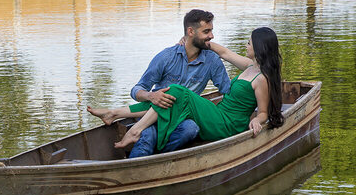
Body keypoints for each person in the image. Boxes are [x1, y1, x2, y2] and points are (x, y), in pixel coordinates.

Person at [93, 26, 285, 152]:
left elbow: (262, 112)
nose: (246, 45)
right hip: (218, 115)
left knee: (177, 91)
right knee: (169, 98)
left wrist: (257, 121)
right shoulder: (250, 66)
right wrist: (192, 41)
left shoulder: (262, 79)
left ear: (259, 47)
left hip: (227, 125)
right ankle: (115, 113)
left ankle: (135, 130)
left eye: (249, 43)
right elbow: (224, 52)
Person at [87, 9, 231, 158]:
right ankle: (135, 165)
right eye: (206, 31)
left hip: (183, 119)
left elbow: (228, 91)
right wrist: (150, 96)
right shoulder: (166, 57)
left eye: (211, 31)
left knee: (191, 129)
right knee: (147, 137)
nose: (212, 36)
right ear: (190, 31)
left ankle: (159, 158)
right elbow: (137, 89)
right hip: (152, 115)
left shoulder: (212, 61)